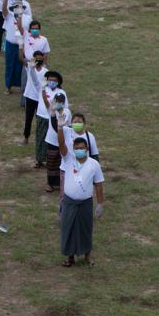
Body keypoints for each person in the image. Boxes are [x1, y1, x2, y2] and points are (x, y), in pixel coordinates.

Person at [56, 111, 105, 267]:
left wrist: (100, 204)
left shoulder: (93, 164)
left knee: (85, 229)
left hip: (85, 203)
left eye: (82, 148)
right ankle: (69, 257)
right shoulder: (69, 159)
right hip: (69, 201)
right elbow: (61, 145)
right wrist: (59, 127)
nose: (79, 150)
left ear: (86, 149)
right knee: (68, 228)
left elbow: (98, 184)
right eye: (76, 148)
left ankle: (87, 256)